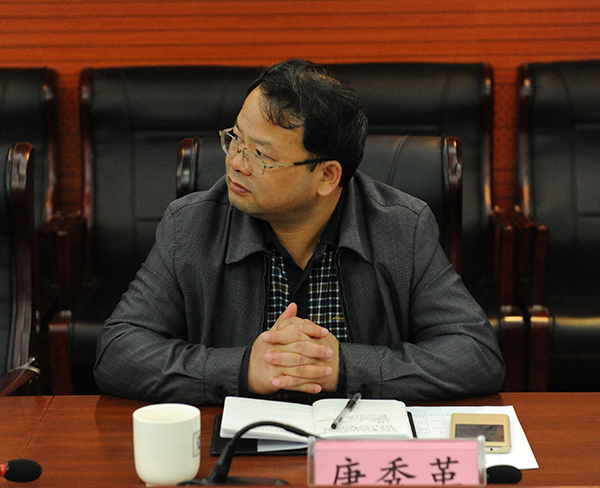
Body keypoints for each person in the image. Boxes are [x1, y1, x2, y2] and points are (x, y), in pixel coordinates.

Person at [94, 59, 505, 405]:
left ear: (326, 176)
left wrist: (344, 368)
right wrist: (241, 369)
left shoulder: (402, 226)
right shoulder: (191, 225)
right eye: (235, 139)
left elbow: (476, 354)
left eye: (260, 154)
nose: (236, 162)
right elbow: (118, 351)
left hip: (355, 445)